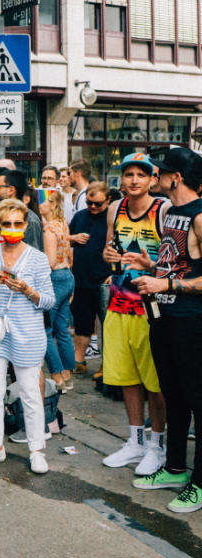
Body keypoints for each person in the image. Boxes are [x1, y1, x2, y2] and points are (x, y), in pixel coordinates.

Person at [132, 146, 202, 512]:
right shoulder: (172, 212)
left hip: (193, 322)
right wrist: (150, 265)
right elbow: (178, 262)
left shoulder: (200, 216)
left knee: (197, 401)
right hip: (164, 319)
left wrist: (168, 286)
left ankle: (200, 483)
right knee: (173, 397)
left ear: (177, 177)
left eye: (160, 172)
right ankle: (175, 468)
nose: (154, 177)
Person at [0, 199, 55, 473]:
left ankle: (37, 449)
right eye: (7, 224)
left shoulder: (38, 258)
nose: (12, 228)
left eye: (18, 223)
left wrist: (28, 290)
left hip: (28, 333)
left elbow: (49, 301)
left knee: (30, 393)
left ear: (26, 225)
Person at [100, 153, 170, 476]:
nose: (134, 180)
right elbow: (107, 251)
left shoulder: (163, 210)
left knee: (154, 381)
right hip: (118, 301)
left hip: (151, 308)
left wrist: (149, 265)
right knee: (126, 377)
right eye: (128, 174)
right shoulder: (115, 209)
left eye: (141, 175)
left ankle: (158, 445)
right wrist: (108, 255)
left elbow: (176, 266)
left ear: (153, 180)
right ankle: (135, 441)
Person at [69, 182, 111, 374]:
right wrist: (73, 238)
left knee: (108, 326)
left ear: (108, 200)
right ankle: (79, 361)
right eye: (89, 203)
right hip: (81, 279)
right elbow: (64, 237)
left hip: (105, 281)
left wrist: (114, 274)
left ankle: (108, 364)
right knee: (81, 323)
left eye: (98, 203)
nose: (93, 207)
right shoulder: (79, 216)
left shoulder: (113, 218)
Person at [40, 190, 75, 392]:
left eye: (43, 202)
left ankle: (57, 375)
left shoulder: (49, 230)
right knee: (62, 329)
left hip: (55, 279)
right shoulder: (63, 224)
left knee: (45, 330)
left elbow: (50, 262)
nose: (40, 206)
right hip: (67, 276)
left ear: (52, 205)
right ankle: (68, 375)